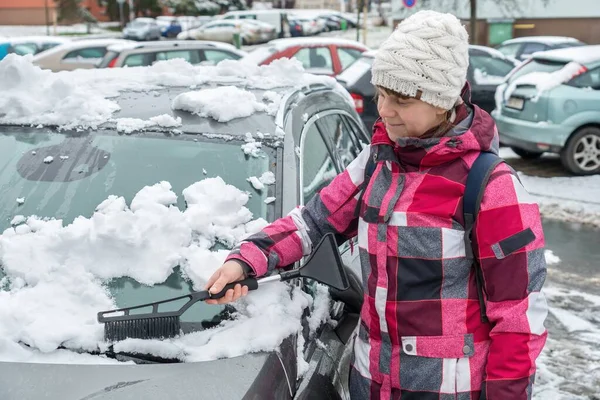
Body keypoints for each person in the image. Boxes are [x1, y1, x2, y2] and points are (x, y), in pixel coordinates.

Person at [205, 10, 548, 400]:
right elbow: (312, 223)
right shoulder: (376, 163)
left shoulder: (491, 187)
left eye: (400, 99)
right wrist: (245, 260)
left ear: (441, 101)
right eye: (381, 93)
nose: (384, 110)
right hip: (369, 386)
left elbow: (519, 321)